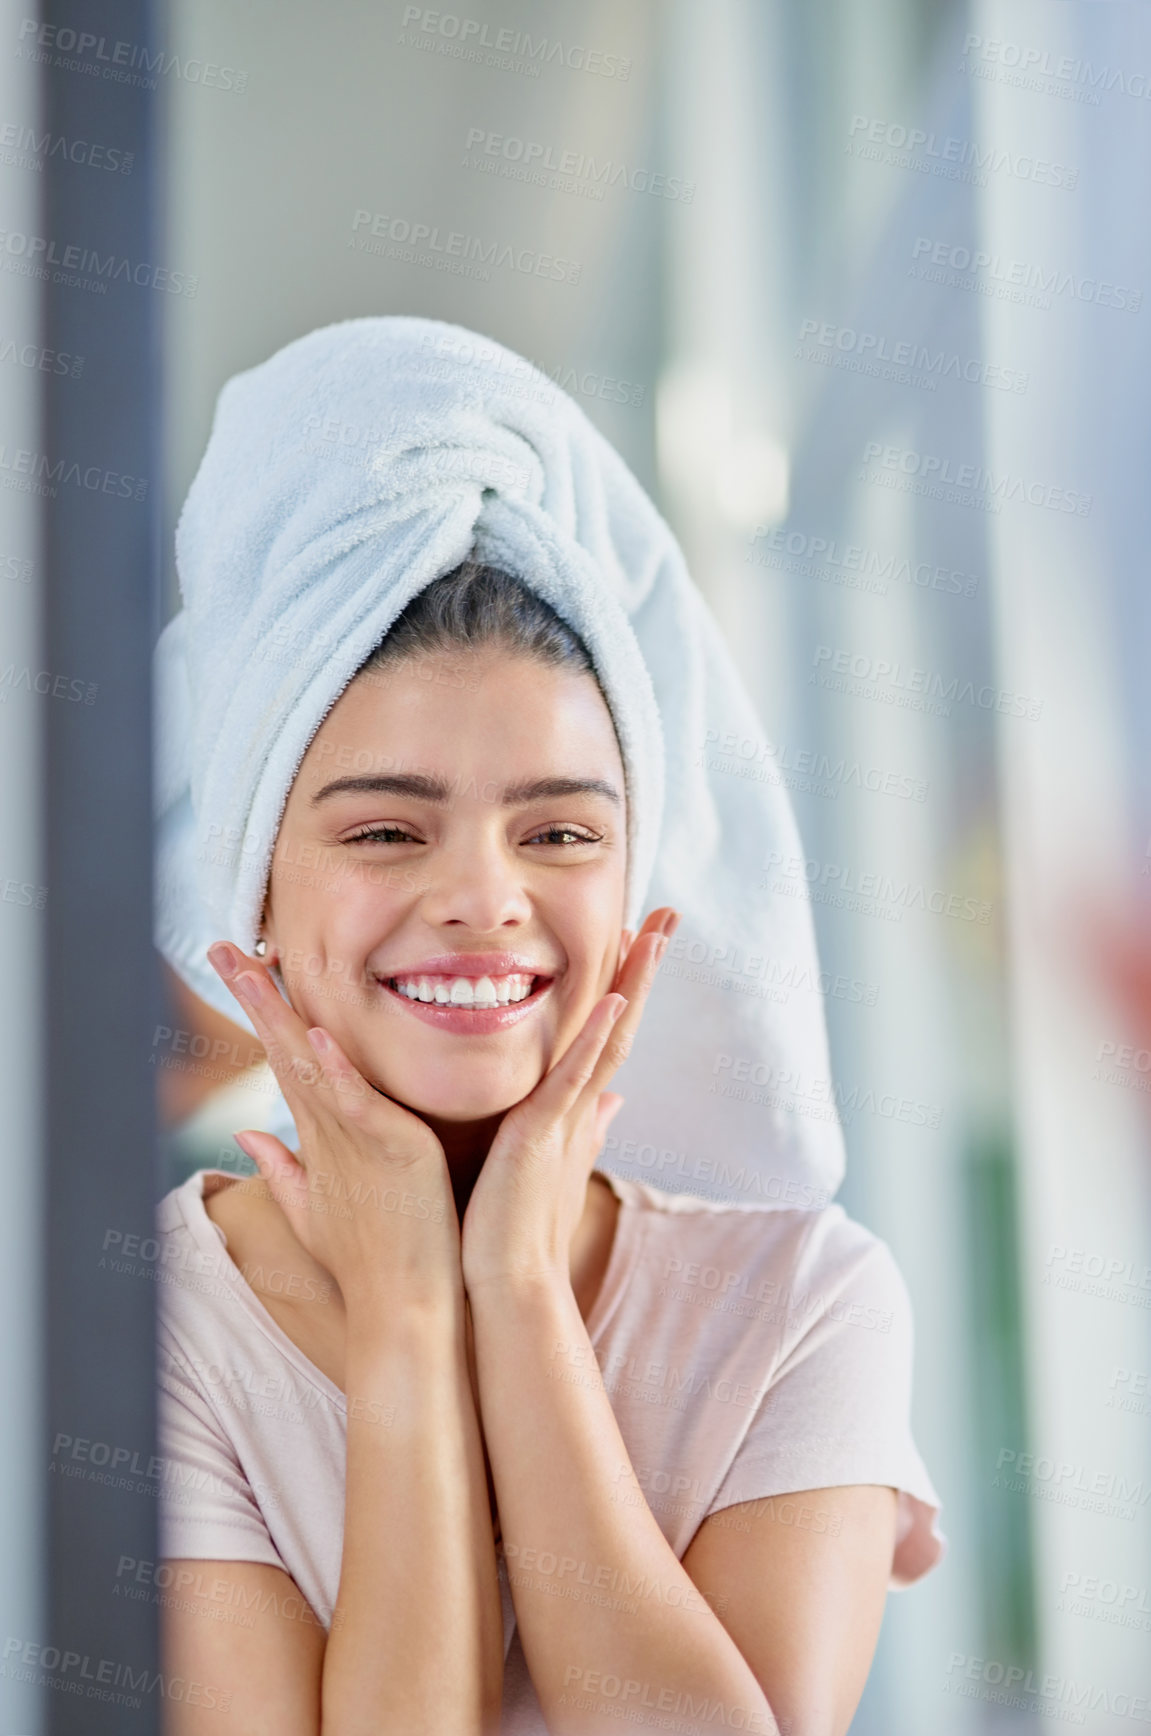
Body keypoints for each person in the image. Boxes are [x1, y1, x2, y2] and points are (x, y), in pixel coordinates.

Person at [152, 324, 944, 1736]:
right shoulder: (143, 1325)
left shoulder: (799, 1304)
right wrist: (405, 1320)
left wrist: (512, 1292)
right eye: (388, 827)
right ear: (254, 887)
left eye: (561, 831)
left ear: (638, 888)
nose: (482, 900)